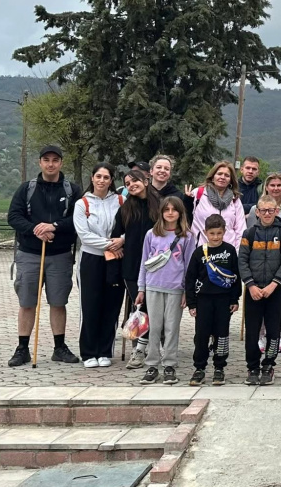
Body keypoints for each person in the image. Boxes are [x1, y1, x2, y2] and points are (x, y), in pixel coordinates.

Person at [6, 145, 82, 367]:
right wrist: (36, 229)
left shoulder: (72, 190)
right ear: (40, 162)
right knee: (27, 302)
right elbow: (14, 216)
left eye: (55, 160)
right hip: (29, 253)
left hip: (60, 255)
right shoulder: (26, 189)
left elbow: (78, 219)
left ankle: (59, 347)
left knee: (58, 302)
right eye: (46, 160)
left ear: (61, 163)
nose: (50, 164)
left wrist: (54, 226)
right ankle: (22, 348)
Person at [136, 196, 197, 385]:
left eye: (174, 209)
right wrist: (141, 288)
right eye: (166, 209)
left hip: (176, 288)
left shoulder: (187, 236)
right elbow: (144, 262)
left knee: (171, 328)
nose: (170, 213)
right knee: (154, 327)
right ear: (161, 212)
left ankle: (169, 365)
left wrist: (187, 291)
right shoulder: (151, 234)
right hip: (153, 285)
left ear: (180, 212)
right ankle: (152, 365)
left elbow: (189, 265)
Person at [239, 194, 281, 386]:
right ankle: (252, 366)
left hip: (274, 290)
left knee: (273, 332)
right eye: (263, 210)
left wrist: (274, 284)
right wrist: (250, 285)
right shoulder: (249, 234)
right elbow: (242, 261)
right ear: (257, 212)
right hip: (253, 291)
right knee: (252, 332)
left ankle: (269, 365)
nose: (267, 214)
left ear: (276, 211)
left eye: (271, 210)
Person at [74, 163, 124, 368]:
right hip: (91, 259)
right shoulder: (82, 204)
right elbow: (84, 235)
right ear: (92, 178)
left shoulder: (120, 201)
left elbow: (130, 226)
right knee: (90, 305)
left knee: (112, 305)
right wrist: (111, 244)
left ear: (111, 180)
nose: (102, 180)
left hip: (116, 259)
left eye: (106, 177)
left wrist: (123, 240)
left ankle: (105, 351)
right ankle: (88, 352)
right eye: (98, 176)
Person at [111, 170, 161, 369]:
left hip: (158, 265)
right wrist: (120, 244)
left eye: (135, 181)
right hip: (132, 266)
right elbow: (116, 235)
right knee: (140, 307)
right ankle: (138, 350)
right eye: (127, 183)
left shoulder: (161, 205)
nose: (131, 185)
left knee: (155, 308)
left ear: (146, 181)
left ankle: (156, 347)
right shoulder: (125, 209)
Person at [247, 174, 281, 352]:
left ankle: (277, 335)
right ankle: (260, 335)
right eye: (272, 185)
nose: (276, 188)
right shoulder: (256, 209)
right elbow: (250, 235)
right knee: (261, 300)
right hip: (261, 262)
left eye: (279, 185)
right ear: (266, 187)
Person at [185, 213, 240, 386]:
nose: (215, 237)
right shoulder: (198, 252)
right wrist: (191, 303)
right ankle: (199, 368)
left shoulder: (230, 251)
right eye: (212, 233)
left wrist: (235, 299)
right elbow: (190, 278)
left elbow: (236, 276)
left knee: (221, 334)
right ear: (205, 232)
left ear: (224, 232)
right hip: (203, 300)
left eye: (219, 233)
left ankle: (219, 367)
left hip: (224, 300)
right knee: (202, 335)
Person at [189, 161, 247, 248]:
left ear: (230, 180)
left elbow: (240, 229)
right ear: (212, 177)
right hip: (202, 249)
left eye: (227, 175)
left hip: (227, 251)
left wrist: (237, 252)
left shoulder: (235, 200)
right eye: (219, 174)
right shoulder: (198, 194)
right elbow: (186, 220)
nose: (222, 177)